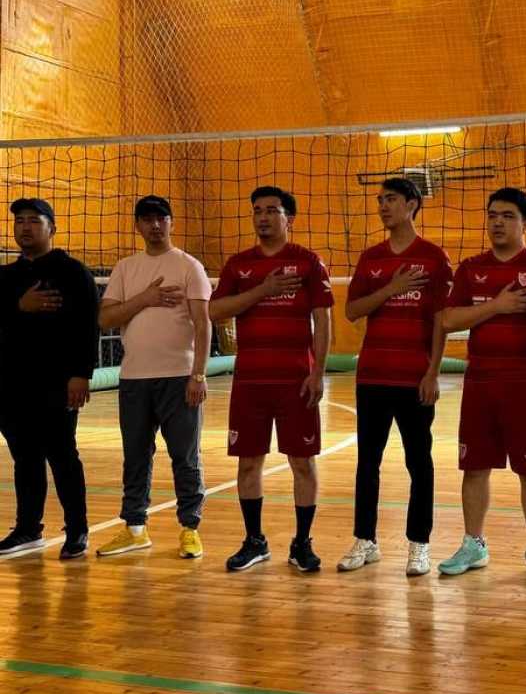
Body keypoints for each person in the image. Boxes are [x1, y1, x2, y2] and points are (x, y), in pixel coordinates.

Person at [438, 187, 526, 584]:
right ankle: (473, 543)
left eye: (507, 216)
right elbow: (447, 321)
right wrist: (496, 306)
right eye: (492, 215)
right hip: (480, 382)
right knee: (474, 467)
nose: (497, 222)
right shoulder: (471, 268)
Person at [209, 186, 333, 573]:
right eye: (257, 210)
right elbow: (215, 311)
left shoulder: (308, 262)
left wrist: (318, 372)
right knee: (248, 463)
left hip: (296, 381)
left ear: (288, 218)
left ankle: (302, 543)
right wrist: (263, 290)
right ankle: (254, 541)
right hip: (250, 383)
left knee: (303, 463)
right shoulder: (238, 265)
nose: (262, 217)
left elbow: (323, 320)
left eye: (271, 211)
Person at [337, 178, 452, 577]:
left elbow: (442, 320)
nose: (383, 206)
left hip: (414, 378)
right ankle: (365, 540)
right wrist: (392, 288)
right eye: (380, 200)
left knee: (419, 462)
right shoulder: (371, 258)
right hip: (372, 377)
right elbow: (353, 311)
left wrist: (433, 372)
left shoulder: (434, 258)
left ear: (412, 204)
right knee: (367, 462)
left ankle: (419, 544)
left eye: (391, 199)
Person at [95, 195, 211, 559]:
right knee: (135, 456)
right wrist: (145, 298)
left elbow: (203, 324)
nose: (155, 225)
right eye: (147, 219)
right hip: (134, 379)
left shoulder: (189, 266)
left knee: (185, 457)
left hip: (179, 377)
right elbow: (105, 319)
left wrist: (198, 374)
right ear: (138, 226)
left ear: (171, 222)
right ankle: (135, 529)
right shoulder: (125, 268)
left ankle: (190, 528)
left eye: (161, 218)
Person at [0, 198, 99, 559]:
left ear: (51, 228)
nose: (25, 227)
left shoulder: (73, 272)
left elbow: (87, 327)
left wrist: (81, 375)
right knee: (24, 457)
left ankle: (77, 530)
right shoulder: (5, 277)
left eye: (34, 220)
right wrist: (19, 307)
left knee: (62, 455)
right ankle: (28, 529)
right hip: (11, 383)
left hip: (57, 382)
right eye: (20, 221)